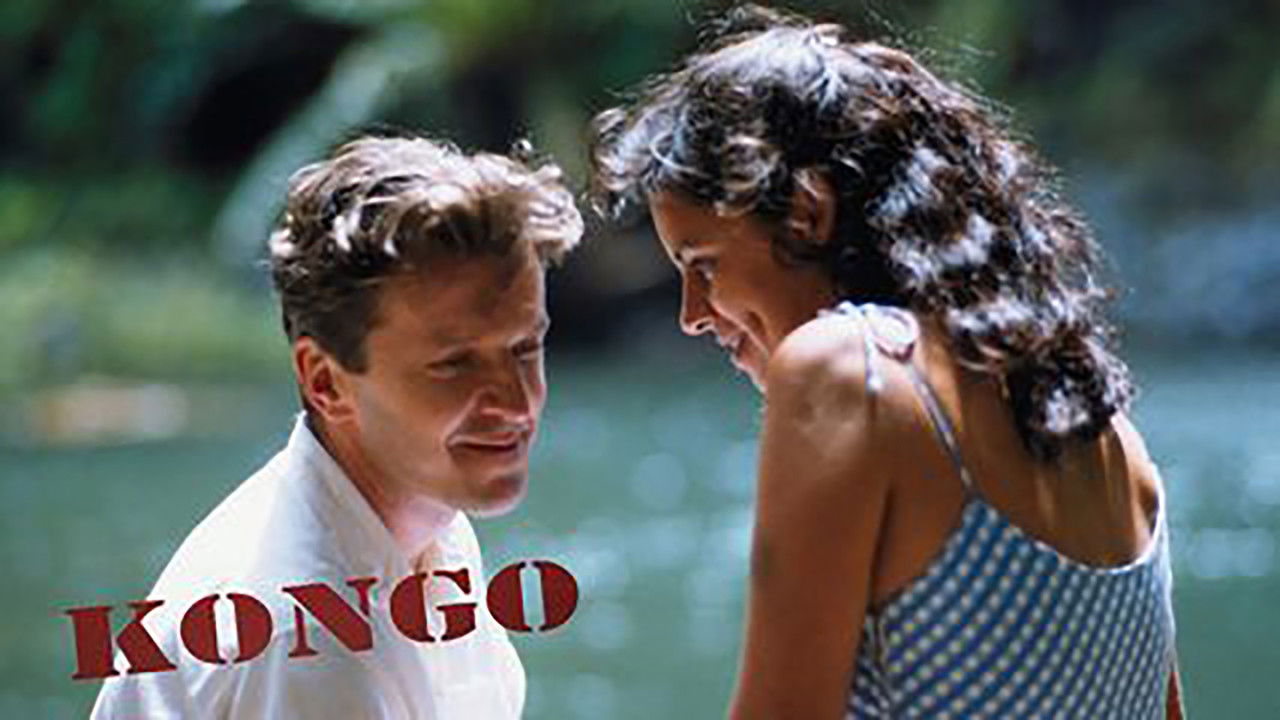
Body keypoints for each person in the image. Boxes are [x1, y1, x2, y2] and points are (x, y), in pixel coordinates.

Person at [590, 5, 1182, 718]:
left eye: (705, 264)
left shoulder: (850, 370)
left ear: (807, 213)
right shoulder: (1106, 435)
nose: (691, 314)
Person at [90, 135, 582, 718]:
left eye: (526, 348)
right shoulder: (311, 645)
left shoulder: (422, 522)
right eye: (454, 364)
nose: (517, 401)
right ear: (325, 382)